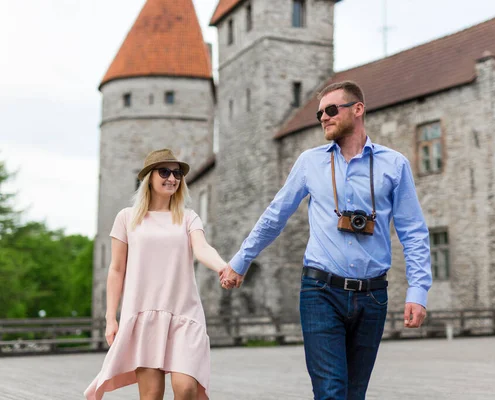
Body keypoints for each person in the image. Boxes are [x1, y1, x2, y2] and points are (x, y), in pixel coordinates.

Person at [220, 81, 432, 399]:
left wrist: (418, 290)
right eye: (320, 113)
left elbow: (413, 231)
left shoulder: (395, 165)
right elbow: (274, 216)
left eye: (331, 110)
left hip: (373, 296)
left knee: (353, 394)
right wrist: (241, 260)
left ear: (357, 109)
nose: (323, 117)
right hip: (320, 292)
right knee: (331, 391)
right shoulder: (310, 163)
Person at [85, 149, 228, 400]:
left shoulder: (188, 217)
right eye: (165, 172)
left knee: (186, 388)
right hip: (144, 316)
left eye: (177, 173)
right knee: (151, 395)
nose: (172, 178)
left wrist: (223, 267)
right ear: (148, 177)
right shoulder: (127, 218)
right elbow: (116, 269)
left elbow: (202, 248)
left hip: (184, 314)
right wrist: (111, 317)